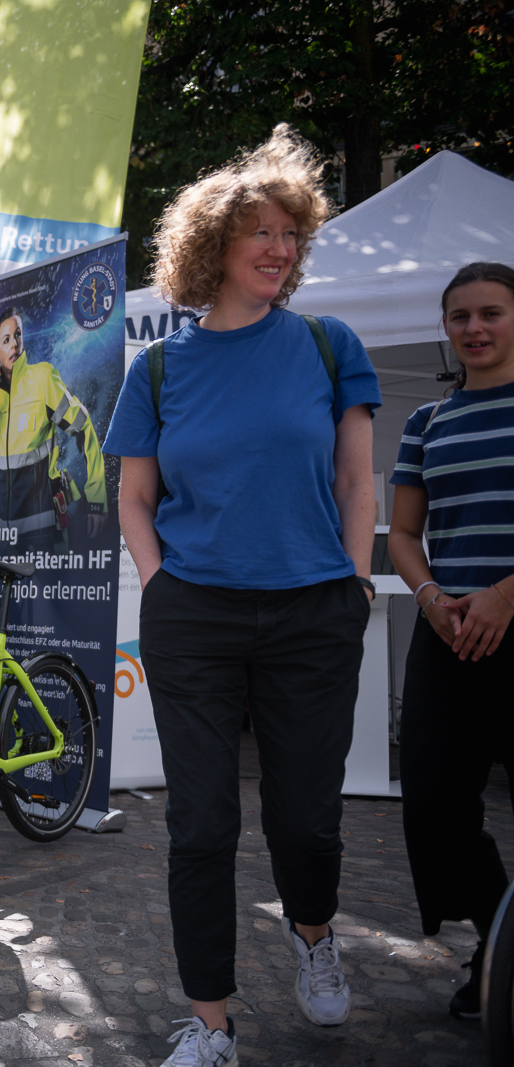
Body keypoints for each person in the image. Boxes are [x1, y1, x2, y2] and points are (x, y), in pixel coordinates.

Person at [103, 124, 380, 1067]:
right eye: (259, 231)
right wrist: (158, 581)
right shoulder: (161, 368)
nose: (277, 248)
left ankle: (313, 933)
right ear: (211, 245)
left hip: (313, 610)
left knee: (304, 815)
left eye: (289, 233)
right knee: (201, 821)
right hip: (194, 616)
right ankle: (211, 1022)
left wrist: (349, 578)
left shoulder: (327, 343)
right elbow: (134, 497)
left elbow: (357, 482)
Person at [391, 262, 514, 1020]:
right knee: (433, 807)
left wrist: (506, 594)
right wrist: (432, 596)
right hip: (449, 634)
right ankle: (503, 940)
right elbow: (405, 533)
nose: (475, 328)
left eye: (492, 313)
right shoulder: (426, 423)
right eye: (461, 316)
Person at [0, 305, 108, 549]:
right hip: (6, 535)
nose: (14, 344)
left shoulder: (43, 379)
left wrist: (97, 499)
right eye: (6, 340)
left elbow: (83, 427)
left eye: (18, 335)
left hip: (45, 528)